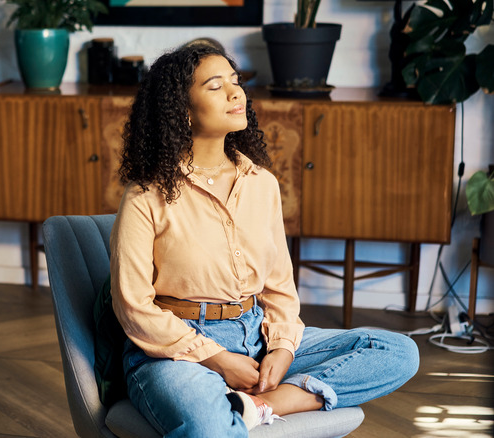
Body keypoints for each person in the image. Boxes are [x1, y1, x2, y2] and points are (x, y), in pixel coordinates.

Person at [109, 42, 420, 437]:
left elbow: (279, 287)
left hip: (257, 334)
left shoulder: (262, 185)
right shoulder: (145, 196)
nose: (235, 92)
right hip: (175, 351)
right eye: (215, 86)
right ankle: (243, 407)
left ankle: (263, 406)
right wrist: (218, 359)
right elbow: (134, 307)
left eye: (235, 82)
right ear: (182, 111)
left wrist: (283, 348)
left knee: (397, 352)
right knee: (208, 426)